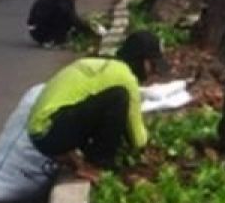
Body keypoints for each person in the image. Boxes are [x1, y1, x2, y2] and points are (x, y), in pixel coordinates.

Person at [27, 31, 169, 180]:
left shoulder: (101, 63)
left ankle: (87, 157)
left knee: (110, 105)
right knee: (118, 98)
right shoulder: (125, 77)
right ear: (140, 59)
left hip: (41, 131)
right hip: (50, 131)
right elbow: (138, 140)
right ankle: (98, 163)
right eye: (152, 65)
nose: (153, 73)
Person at [26, 0, 105, 46]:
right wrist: (91, 32)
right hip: (39, 30)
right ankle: (53, 39)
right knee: (66, 17)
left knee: (71, 21)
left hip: (39, 26)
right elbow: (71, 18)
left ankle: (58, 37)